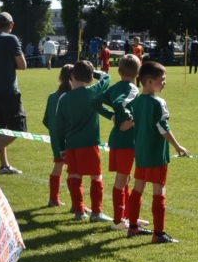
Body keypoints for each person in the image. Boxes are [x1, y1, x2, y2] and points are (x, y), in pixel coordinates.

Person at [126, 61, 189, 244]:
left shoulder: (136, 101)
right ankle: (159, 234)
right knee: (159, 189)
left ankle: (132, 227)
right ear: (149, 81)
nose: (164, 83)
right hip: (156, 154)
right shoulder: (158, 102)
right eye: (162, 79)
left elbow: (134, 122)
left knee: (138, 188)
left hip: (141, 153)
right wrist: (177, 146)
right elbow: (163, 127)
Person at [51, 60, 113, 221]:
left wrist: (62, 147)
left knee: (74, 176)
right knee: (96, 177)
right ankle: (97, 212)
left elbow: (58, 127)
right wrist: (94, 73)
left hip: (71, 144)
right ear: (91, 78)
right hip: (90, 143)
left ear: (72, 76)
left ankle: (79, 211)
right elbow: (107, 78)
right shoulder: (92, 91)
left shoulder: (63, 98)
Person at [104, 55, 146, 231]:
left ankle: (128, 215)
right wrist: (130, 119)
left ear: (119, 71)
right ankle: (118, 221)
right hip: (125, 142)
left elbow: (96, 102)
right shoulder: (133, 89)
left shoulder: (114, 87)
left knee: (126, 177)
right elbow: (121, 103)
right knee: (121, 179)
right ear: (138, 73)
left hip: (120, 140)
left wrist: (112, 116)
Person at [0, 12, 28, 175]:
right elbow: (22, 65)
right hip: (9, 90)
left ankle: (4, 165)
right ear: (11, 25)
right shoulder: (11, 39)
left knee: (1, 129)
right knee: (19, 129)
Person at [42, 64, 74, 208]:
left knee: (58, 165)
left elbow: (46, 120)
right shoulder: (70, 97)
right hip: (68, 139)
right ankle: (77, 204)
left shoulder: (52, 96)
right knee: (74, 170)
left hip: (55, 139)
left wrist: (55, 133)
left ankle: (53, 199)